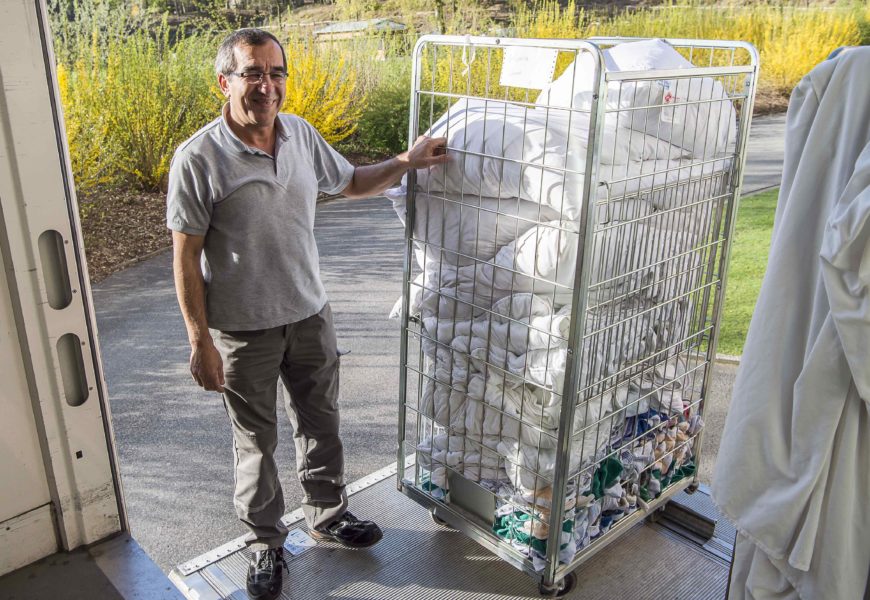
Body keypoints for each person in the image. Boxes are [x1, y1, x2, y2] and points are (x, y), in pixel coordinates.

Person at [166, 28, 447, 600]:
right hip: (243, 330)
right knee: (256, 441)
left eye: (275, 73)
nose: (266, 86)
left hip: (310, 314)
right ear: (225, 82)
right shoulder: (198, 159)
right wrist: (200, 341)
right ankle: (265, 542)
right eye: (252, 73)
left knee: (321, 421)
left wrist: (405, 161)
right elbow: (186, 258)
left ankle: (326, 513)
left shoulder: (300, 136)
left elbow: (350, 182)